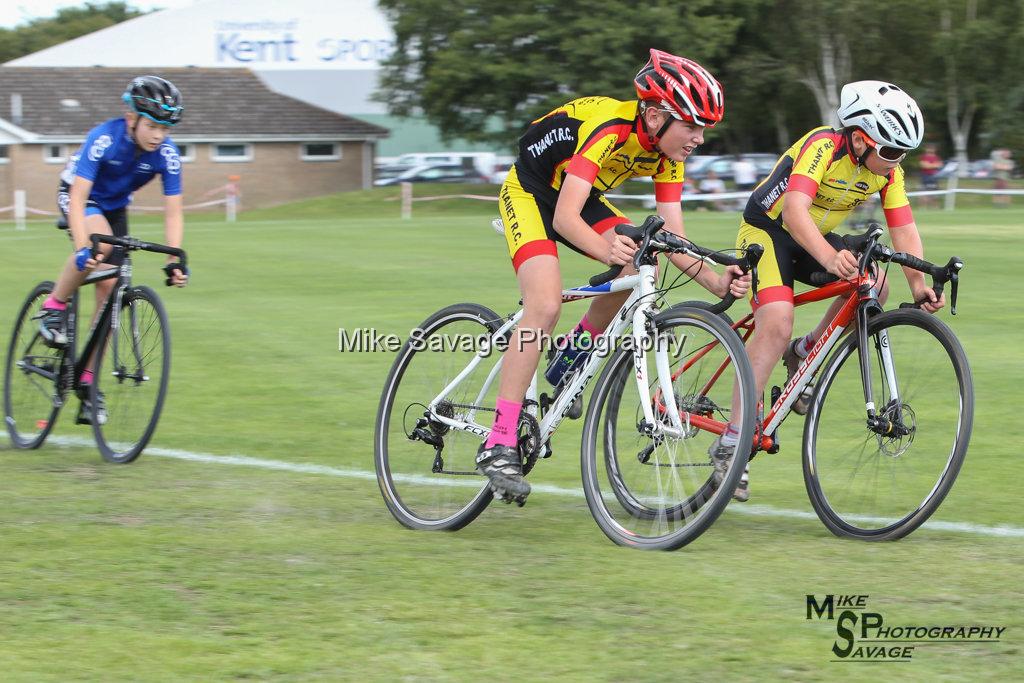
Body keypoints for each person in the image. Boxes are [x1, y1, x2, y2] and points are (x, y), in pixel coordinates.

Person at [481, 49, 751, 505]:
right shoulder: (610, 129)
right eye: (691, 126)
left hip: (576, 194)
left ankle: (572, 351)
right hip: (530, 190)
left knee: (646, 256)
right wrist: (607, 248)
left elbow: (674, 237)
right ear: (654, 114)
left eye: (703, 128)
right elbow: (566, 219)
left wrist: (715, 281)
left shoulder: (668, 154)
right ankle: (499, 439)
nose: (699, 139)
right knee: (544, 304)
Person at [714, 80, 944, 502]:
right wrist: (827, 257)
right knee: (777, 321)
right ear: (860, 138)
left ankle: (804, 353)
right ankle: (732, 441)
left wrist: (920, 284)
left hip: (812, 236)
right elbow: (795, 210)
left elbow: (903, 227)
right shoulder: (823, 145)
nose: (896, 162)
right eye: (891, 151)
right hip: (769, 231)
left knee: (873, 282)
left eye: (902, 154)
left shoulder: (886, 170)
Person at [37, 75, 190, 425]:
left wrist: (173, 257)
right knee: (99, 248)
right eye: (152, 125)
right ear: (131, 117)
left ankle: (87, 382)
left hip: (114, 207)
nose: (158, 135)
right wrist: (80, 247)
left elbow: (174, 209)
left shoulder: (166, 154)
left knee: (111, 295)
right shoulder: (104, 138)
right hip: (80, 196)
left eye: (165, 129)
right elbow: (76, 198)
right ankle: (54, 305)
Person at [917, 143, 943, 208]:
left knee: (935, 193)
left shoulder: (937, 157)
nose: (930, 150)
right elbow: (924, 165)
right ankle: (922, 207)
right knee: (923, 192)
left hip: (934, 177)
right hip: (925, 176)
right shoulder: (923, 157)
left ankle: (934, 207)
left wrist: (930, 165)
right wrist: (934, 165)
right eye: (929, 148)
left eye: (932, 148)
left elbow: (940, 165)